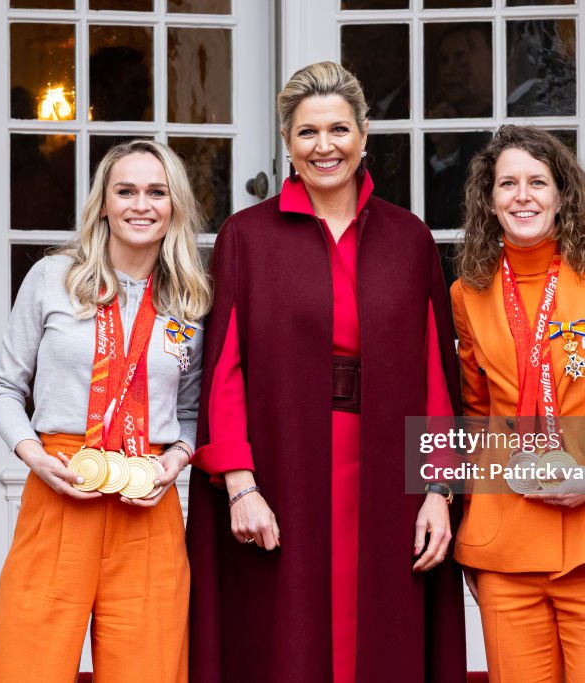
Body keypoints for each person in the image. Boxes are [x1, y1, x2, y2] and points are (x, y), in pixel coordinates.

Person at [187, 61, 467, 683]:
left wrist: (438, 491)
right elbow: (224, 372)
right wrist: (240, 484)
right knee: (286, 641)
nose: (324, 146)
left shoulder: (408, 238)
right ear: (287, 143)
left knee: (384, 640)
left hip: (389, 477)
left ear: (365, 135)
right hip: (283, 474)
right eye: (307, 132)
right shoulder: (247, 237)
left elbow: (434, 381)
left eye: (338, 129)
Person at [0, 139, 210, 682]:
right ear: (103, 202)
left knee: (149, 670)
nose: (140, 204)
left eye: (156, 192)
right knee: (27, 667)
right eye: (125, 190)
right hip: (60, 488)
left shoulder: (191, 301)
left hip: (147, 503)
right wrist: (35, 458)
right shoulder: (52, 280)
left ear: (174, 205)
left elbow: (193, 409)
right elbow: (3, 388)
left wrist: (175, 462)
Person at [451, 125, 585, 682]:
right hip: (505, 545)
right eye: (507, 184)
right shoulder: (467, 292)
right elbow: (474, 418)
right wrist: (468, 522)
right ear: (489, 199)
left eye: (537, 182)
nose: (522, 196)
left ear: (562, 195)